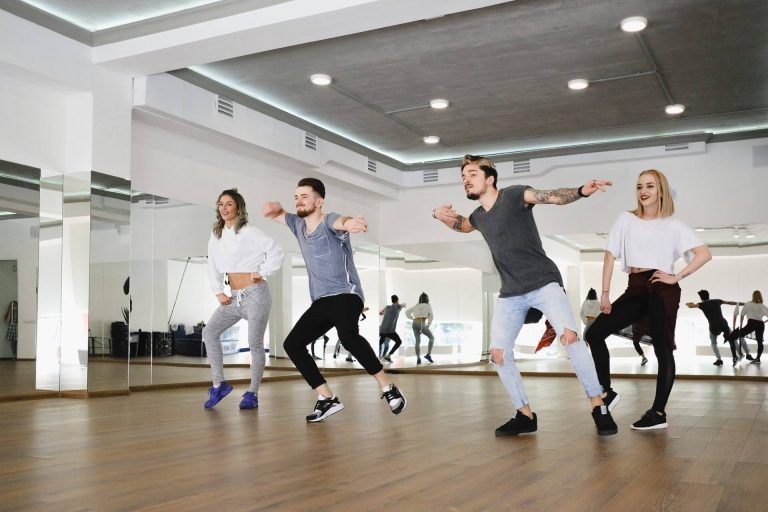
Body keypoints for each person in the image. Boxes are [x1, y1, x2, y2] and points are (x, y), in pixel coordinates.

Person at [433, 154, 617, 437]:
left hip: (544, 282)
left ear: (489, 178)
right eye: (463, 177)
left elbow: (552, 196)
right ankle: (524, 414)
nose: (466, 180)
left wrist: (581, 191)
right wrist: (439, 216)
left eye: (471, 174)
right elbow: (462, 225)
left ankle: (598, 404)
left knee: (570, 338)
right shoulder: (479, 217)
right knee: (498, 354)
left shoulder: (515, 195)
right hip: (511, 293)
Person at [263, 178, 406, 422]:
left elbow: (342, 221)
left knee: (348, 337)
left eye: (305, 196)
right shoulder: (297, 224)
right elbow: (278, 213)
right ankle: (327, 397)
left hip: (346, 294)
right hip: (321, 300)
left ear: (319, 202)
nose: (299, 200)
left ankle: (388, 387)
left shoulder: (329, 220)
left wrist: (352, 223)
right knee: (293, 344)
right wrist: (274, 207)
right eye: (296, 197)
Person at [585, 169, 711, 431]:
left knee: (663, 350)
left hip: (660, 287)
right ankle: (606, 391)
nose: (643, 191)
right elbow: (610, 256)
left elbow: (703, 253)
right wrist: (605, 294)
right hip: (635, 286)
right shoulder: (626, 219)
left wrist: (676, 277)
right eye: (640, 186)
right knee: (595, 333)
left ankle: (658, 412)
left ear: (661, 190)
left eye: (650, 186)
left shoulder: (673, 224)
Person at [203, 189, 285, 410]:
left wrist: (263, 271)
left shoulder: (250, 231)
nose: (224, 208)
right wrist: (217, 290)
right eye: (221, 204)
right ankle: (218, 384)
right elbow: (212, 263)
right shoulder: (217, 234)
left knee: (255, 345)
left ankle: (252, 393)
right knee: (209, 332)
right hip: (234, 297)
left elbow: (277, 250)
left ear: (238, 207)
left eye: (228, 204)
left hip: (256, 294)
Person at [686, 290, 741, 367]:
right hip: (723, 324)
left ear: (701, 297)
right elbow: (729, 302)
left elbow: (690, 306)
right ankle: (736, 356)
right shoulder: (717, 301)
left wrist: (689, 303)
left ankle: (719, 359)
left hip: (714, 326)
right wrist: (740, 304)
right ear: (708, 296)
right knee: (732, 339)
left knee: (713, 343)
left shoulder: (701, 304)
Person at [727, 290, 768, 364]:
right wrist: (764, 322)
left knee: (732, 338)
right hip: (760, 324)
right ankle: (758, 358)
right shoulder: (762, 306)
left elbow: (742, 315)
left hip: (751, 323)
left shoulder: (748, 304)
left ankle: (736, 356)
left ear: (753, 296)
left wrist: (741, 326)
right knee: (759, 342)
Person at [406, 293, 435, 364]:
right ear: (427, 298)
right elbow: (431, 316)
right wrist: (428, 324)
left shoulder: (416, 305)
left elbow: (407, 312)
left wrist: (412, 318)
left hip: (414, 323)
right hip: (421, 322)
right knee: (432, 338)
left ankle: (418, 359)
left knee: (417, 341)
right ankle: (428, 355)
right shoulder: (428, 305)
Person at [379, 295, 405, 363]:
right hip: (389, 331)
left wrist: (382, 312)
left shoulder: (387, 307)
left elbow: (380, 312)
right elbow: (404, 304)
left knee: (381, 341)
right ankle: (388, 356)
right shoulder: (398, 307)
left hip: (382, 329)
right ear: (397, 300)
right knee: (399, 342)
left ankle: (379, 357)